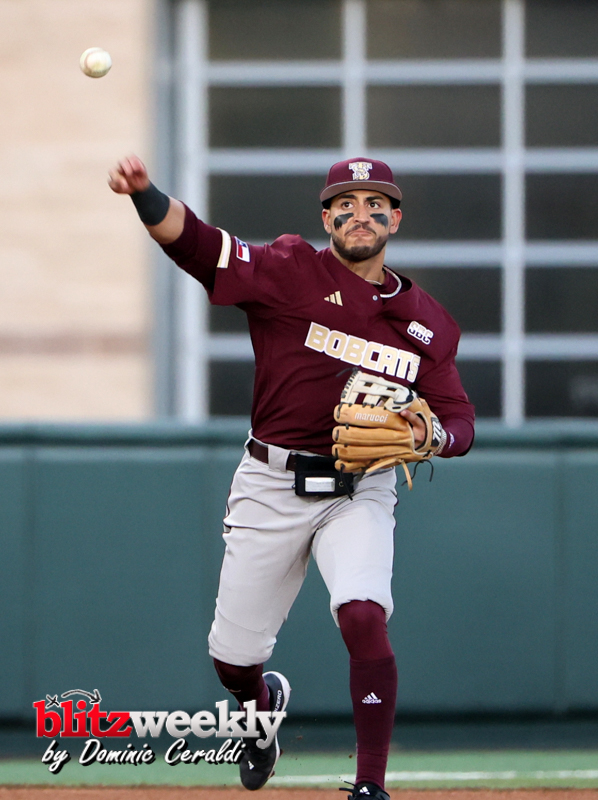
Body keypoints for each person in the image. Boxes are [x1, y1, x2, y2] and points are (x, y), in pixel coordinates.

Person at [109, 155, 475, 799]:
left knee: (363, 614)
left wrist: (430, 436)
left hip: (360, 486)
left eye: (375, 204)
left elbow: (460, 419)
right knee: (233, 660)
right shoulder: (288, 270)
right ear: (326, 217)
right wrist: (144, 194)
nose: (360, 214)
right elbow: (198, 246)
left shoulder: (425, 322)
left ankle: (370, 786)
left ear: (395, 218)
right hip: (271, 480)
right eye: (345, 204)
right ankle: (259, 709)